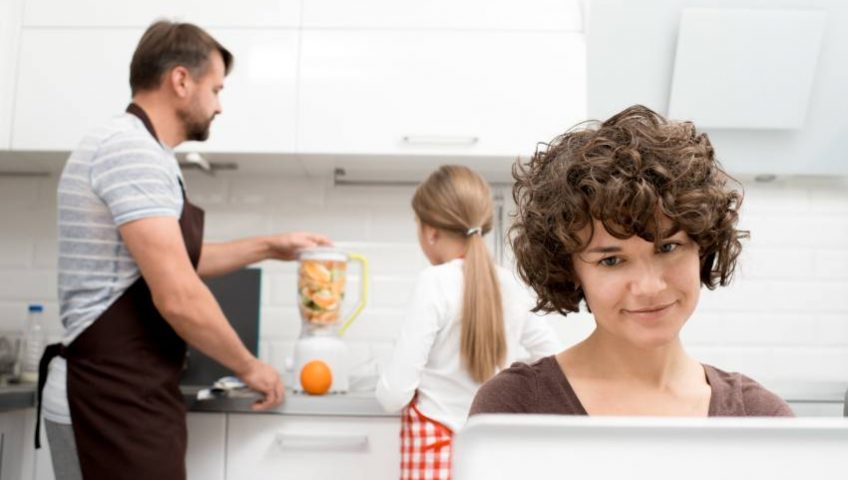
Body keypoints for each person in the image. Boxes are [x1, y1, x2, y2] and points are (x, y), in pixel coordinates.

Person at [38, 21, 331, 480]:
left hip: (127, 393)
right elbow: (177, 293)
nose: (218, 105)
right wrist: (249, 366)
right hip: (107, 397)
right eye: (215, 89)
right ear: (180, 80)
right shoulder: (130, 150)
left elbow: (172, 263)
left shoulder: (146, 152)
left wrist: (271, 246)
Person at [470, 105, 793, 418]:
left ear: (702, 247)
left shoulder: (760, 417)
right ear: (571, 270)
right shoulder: (514, 408)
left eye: (668, 247)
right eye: (611, 260)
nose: (649, 287)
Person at [376, 165, 561, 479]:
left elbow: (394, 395)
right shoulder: (510, 285)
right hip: (492, 451)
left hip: (433, 450)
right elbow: (555, 358)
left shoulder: (433, 282)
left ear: (430, 231)